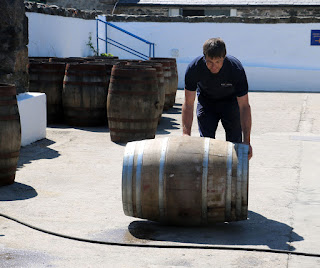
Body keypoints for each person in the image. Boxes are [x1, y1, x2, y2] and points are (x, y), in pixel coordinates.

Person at [182, 37, 252, 160]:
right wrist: (185, 134)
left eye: (218, 62)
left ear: (224, 57)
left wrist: (247, 141)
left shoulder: (235, 69)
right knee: (206, 144)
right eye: (210, 62)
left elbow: (244, 106)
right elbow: (188, 103)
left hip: (230, 102)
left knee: (235, 144)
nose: (214, 66)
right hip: (207, 102)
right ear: (204, 57)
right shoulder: (194, 68)